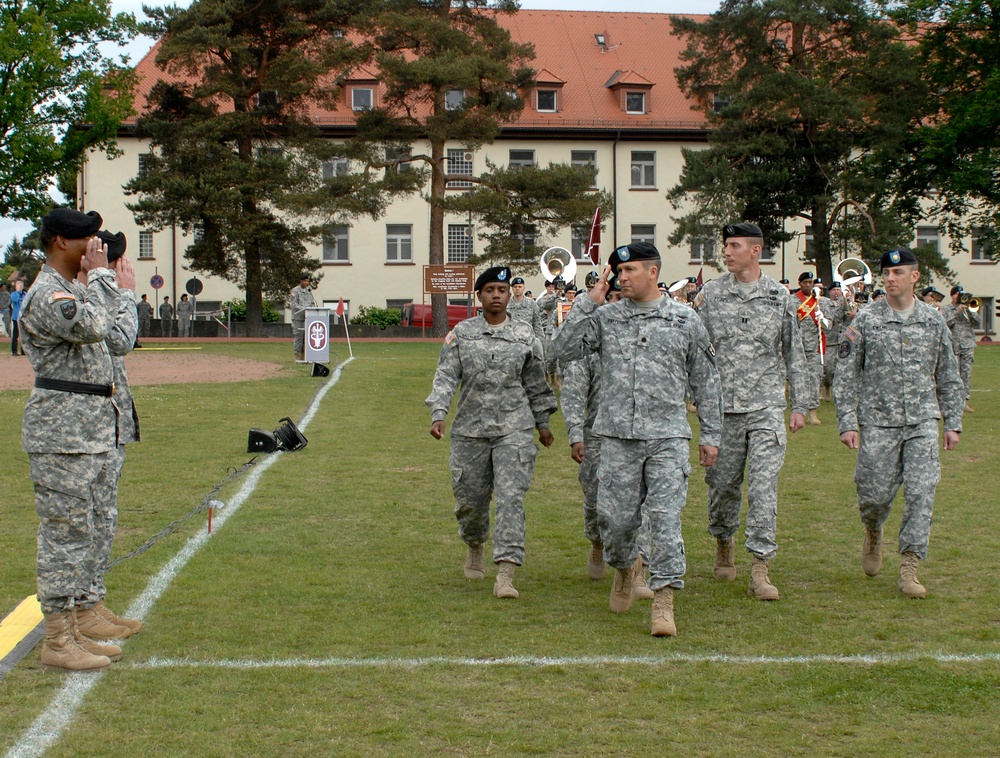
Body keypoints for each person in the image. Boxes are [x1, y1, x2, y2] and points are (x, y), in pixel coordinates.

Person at [551, 242, 723, 637]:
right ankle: (626, 567)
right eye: (618, 271)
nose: (621, 277)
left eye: (629, 270)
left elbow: (707, 382)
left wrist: (711, 434)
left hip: (667, 438)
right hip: (616, 438)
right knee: (615, 521)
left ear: (653, 273)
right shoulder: (605, 319)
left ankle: (664, 600)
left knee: (664, 520)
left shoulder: (685, 320)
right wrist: (586, 303)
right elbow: (558, 352)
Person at [18, 208, 134, 671]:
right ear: (63, 242)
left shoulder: (72, 289)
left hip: (88, 427)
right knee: (64, 536)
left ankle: (79, 620)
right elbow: (96, 327)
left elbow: (110, 335)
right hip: (62, 433)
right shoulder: (49, 295)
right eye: (88, 239)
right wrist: (107, 278)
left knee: (87, 529)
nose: (96, 248)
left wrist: (99, 281)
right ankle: (58, 639)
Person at [834, 247, 965, 599]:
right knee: (874, 496)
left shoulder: (932, 320)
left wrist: (952, 422)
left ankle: (909, 567)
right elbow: (846, 375)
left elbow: (949, 375)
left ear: (914, 277)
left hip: (922, 420)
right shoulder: (865, 320)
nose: (890, 279)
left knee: (922, 492)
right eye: (886, 274)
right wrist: (847, 421)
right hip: (878, 423)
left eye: (898, 273)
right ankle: (873, 530)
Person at [693, 223, 808, 601]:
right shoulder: (711, 294)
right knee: (723, 487)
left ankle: (760, 567)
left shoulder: (779, 296)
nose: (726, 251)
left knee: (763, 488)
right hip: (724, 409)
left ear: (755, 251)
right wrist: (695, 396)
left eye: (734, 245)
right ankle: (723, 540)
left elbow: (794, 351)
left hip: (766, 407)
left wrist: (801, 404)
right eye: (725, 245)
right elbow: (698, 351)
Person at [426, 266, 556, 600]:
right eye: (490, 290)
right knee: (470, 502)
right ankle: (474, 545)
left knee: (512, 498)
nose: (496, 295)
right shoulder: (462, 333)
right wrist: (439, 413)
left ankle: (506, 572)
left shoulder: (525, 335)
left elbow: (536, 383)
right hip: (470, 431)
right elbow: (445, 376)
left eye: (501, 289)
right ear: (479, 296)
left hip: (514, 429)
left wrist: (543, 423)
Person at [561, 275, 652, 596]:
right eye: (609, 298)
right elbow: (572, 392)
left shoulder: (644, 336)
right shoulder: (587, 344)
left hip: (638, 434)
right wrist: (575, 434)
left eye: (620, 298)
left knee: (641, 502)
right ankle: (598, 541)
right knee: (597, 501)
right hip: (597, 435)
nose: (616, 305)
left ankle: (637, 567)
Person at [86, 230, 144, 642]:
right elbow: (123, 339)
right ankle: (82, 606)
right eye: (112, 259)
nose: (117, 267)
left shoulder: (95, 290)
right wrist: (123, 293)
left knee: (104, 520)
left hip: (111, 420)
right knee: (88, 522)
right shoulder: (92, 292)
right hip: (90, 427)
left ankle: (92, 601)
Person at [940, 285, 980, 413]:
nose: (959, 296)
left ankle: (964, 402)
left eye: (961, 294)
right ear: (952, 296)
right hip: (953, 345)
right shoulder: (946, 309)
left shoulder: (968, 307)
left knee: (966, 374)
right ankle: (953, 402)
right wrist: (956, 314)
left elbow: (977, 323)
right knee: (954, 375)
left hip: (968, 345)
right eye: (957, 294)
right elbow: (945, 324)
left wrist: (969, 311)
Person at [792, 271, 825, 425]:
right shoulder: (792, 300)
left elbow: (828, 326)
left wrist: (822, 319)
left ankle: (813, 413)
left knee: (813, 378)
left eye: (811, 282)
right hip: (797, 346)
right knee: (797, 379)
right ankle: (798, 411)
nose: (808, 285)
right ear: (799, 283)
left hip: (813, 347)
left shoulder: (819, 301)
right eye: (805, 282)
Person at [507, 276, 545, 346]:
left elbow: (537, 324)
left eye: (519, 287)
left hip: (528, 342)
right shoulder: (506, 305)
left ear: (524, 288)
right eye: (515, 287)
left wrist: (540, 343)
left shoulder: (531, 304)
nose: (517, 289)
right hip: (511, 342)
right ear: (512, 288)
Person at [290, 273, 316, 361]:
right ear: (301, 281)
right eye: (305, 281)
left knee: (307, 339)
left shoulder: (309, 291)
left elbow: (312, 303)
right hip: (298, 319)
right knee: (299, 338)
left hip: (308, 319)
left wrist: (312, 309)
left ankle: (304, 356)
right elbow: (294, 305)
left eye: (308, 281)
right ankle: (297, 356)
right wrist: (304, 309)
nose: (306, 283)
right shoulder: (295, 291)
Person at [10, 279, 25, 355]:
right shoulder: (13, 294)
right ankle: (14, 351)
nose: (18, 287)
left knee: (24, 335)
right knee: (15, 335)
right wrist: (18, 292)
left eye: (20, 285)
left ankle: (24, 351)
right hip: (16, 317)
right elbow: (15, 300)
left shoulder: (25, 294)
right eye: (17, 285)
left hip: (24, 317)